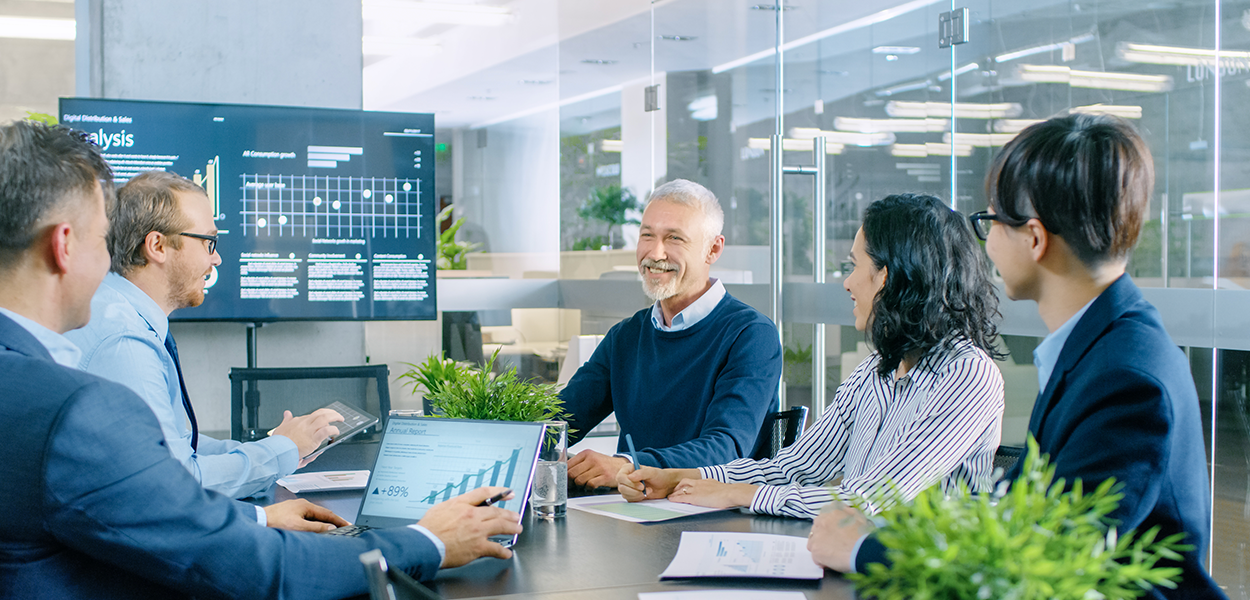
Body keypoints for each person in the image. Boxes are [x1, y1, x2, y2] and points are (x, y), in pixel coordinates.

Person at [0, 120, 520, 599]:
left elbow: (143, 507)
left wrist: (259, 519)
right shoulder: (75, 408)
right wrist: (426, 541)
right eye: (101, 240)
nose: (110, 261)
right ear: (65, 246)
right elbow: (250, 567)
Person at [808, 115, 1225, 600]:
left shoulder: (1125, 378)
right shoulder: (1096, 348)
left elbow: (1045, 556)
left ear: (1034, 239)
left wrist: (865, 549)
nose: (985, 244)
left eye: (990, 222)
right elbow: (1016, 513)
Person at [617, 194, 1005, 518]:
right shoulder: (876, 370)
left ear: (887, 276)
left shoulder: (967, 375)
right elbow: (796, 466)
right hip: (852, 560)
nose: (847, 282)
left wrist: (742, 495)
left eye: (854, 266)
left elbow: (872, 500)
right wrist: (690, 476)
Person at [64, 170, 341, 500]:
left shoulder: (117, 311)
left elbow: (177, 443)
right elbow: (177, 483)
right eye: (208, 242)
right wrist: (280, 451)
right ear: (157, 245)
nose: (216, 258)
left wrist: (276, 449)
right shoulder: (124, 343)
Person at [561, 179, 783, 488]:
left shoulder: (750, 335)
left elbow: (727, 449)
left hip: (711, 517)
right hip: (632, 511)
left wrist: (627, 466)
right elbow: (562, 420)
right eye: (647, 235)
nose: (655, 252)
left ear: (713, 249)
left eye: (674, 238)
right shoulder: (626, 336)